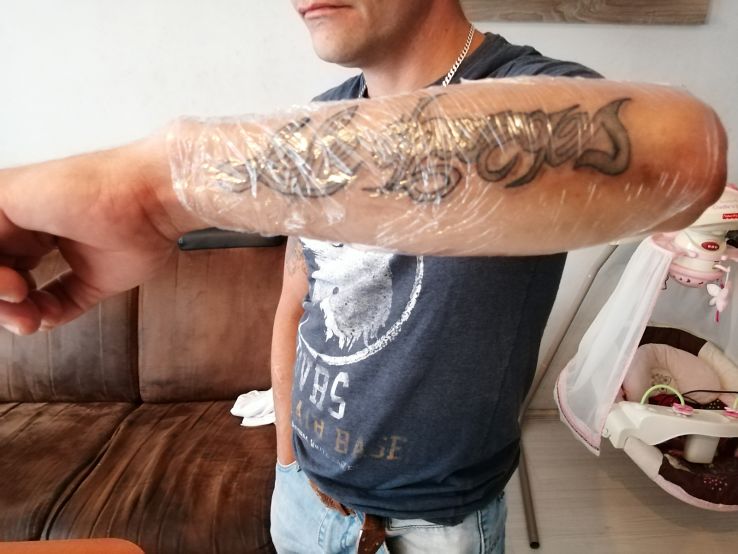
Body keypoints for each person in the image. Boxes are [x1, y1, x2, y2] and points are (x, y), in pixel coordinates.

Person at [0, 0, 727, 552]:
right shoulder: (320, 122)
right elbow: (296, 300)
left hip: (439, 524)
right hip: (303, 499)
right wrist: (287, 460)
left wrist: (160, 188)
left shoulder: (526, 88)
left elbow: (685, 154)